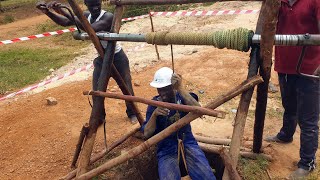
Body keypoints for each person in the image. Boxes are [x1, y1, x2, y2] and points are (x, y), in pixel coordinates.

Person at [36, 0, 138, 124]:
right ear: (86, 3)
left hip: (117, 58)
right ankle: (100, 118)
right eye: (91, 5)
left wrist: (68, 13)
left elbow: (89, 28)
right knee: (97, 91)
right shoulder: (86, 16)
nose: (95, 7)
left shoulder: (108, 17)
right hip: (101, 59)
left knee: (126, 87)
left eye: (97, 4)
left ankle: (133, 113)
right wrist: (48, 12)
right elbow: (65, 22)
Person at [264, 0, 320, 179]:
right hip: (285, 66)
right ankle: (286, 134)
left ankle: (307, 163)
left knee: (308, 120)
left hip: (310, 68)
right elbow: (266, 24)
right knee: (289, 106)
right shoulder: (277, 3)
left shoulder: (314, 2)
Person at [141, 67, 216, 180]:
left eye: (166, 89)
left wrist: (180, 88)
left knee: (207, 176)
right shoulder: (154, 104)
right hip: (166, 149)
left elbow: (198, 110)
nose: (162, 93)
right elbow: (146, 133)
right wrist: (154, 115)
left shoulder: (182, 97)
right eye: (159, 89)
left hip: (187, 141)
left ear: (173, 87)